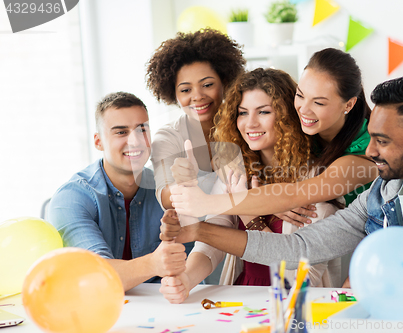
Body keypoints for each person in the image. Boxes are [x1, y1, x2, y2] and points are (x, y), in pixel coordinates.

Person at [164, 76, 403, 292]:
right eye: (371, 138)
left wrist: (358, 284)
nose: (370, 151)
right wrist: (199, 232)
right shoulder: (382, 192)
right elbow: (299, 248)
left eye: (382, 141)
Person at [160, 68, 338, 303]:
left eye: (263, 112)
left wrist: (247, 212)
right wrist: (186, 279)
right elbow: (211, 243)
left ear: (289, 117)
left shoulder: (318, 181)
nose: (250, 123)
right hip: (242, 297)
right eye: (242, 113)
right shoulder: (236, 172)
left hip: (291, 307)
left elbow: (298, 280)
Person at [169, 48, 377, 227]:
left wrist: (204, 203)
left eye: (319, 103)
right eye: (301, 95)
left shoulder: (366, 154)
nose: (303, 110)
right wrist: (268, 201)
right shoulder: (303, 128)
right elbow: (233, 152)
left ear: (348, 104)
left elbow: (296, 194)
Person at [48, 92, 187, 292]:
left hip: (163, 309)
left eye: (142, 130)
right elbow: (96, 274)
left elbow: (187, 266)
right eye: (121, 132)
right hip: (93, 312)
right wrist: (155, 263)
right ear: (98, 142)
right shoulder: (71, 198)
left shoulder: (166, 190)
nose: (135, 141)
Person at [145, 29, 246, 263]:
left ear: (225, 81)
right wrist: (183, 185)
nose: (197, 96)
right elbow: (165, 195)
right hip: (195, 252)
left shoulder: (245, 126)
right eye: (186, 90)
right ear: (173, 94)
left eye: (207, 84)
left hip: (247, 242)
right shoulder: (168, 137)